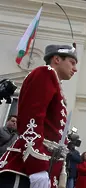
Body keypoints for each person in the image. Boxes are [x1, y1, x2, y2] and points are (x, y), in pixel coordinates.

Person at [0, 44, 78, 188]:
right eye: (72, 62)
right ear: (56, 59)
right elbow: (32, 119)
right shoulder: (45, 73)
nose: (75, 68)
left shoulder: (54, 82)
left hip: (46, 164)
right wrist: (37, 166)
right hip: (26, 167)